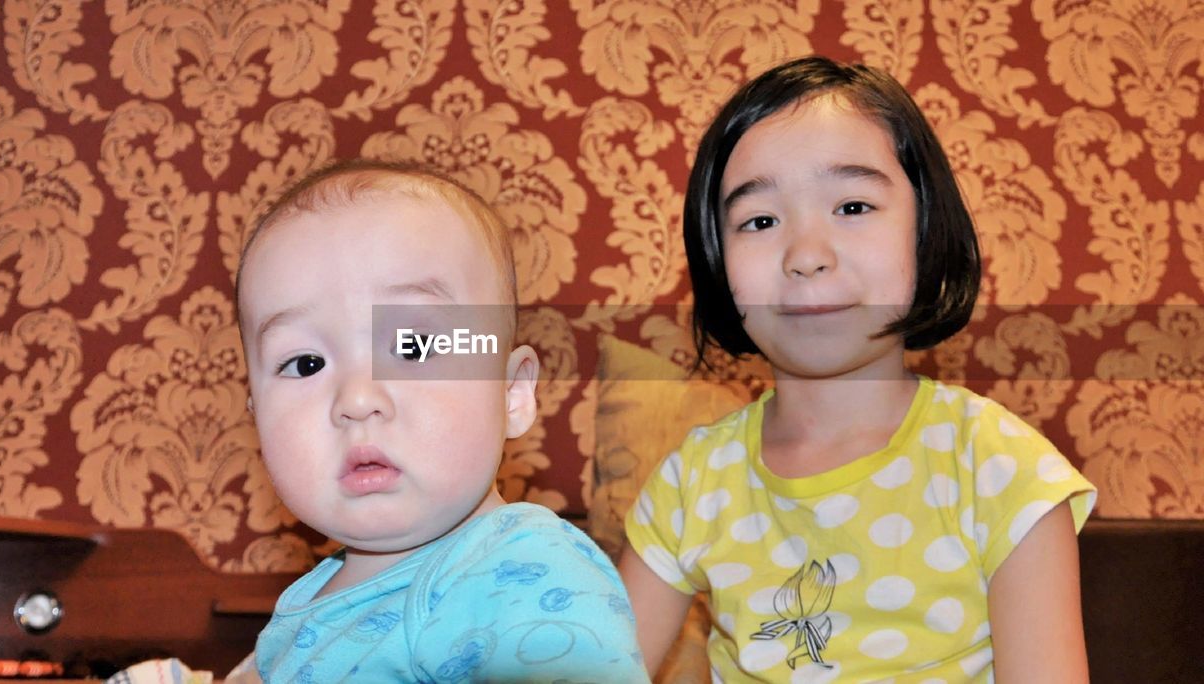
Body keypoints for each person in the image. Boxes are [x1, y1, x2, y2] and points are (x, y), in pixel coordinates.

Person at [620, 56, 1096, 682]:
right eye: (760, 221)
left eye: (852, 206)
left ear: (926, 229)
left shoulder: (1000, 469)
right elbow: (595, 663)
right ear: (717, 260)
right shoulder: (695, 482)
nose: (807, 255)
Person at [235, 158, 647, 682]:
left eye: (414, 346)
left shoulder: (518, 568)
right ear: (257, 419)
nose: (357, 399)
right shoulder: (308, 603)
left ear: (511, 392)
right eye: (305, 364)